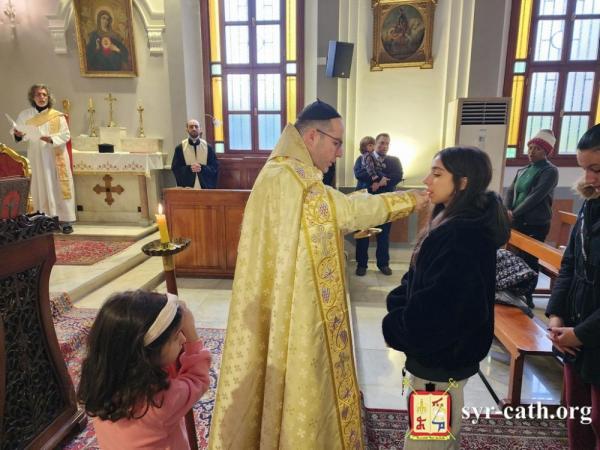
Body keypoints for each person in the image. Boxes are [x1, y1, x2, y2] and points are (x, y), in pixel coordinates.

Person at [209, 100, 428, 449]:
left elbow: (310, 229)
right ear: (313, 136)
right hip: (295, 306)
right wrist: (410, 201)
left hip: (275, 294)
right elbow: (349, 210)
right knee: (302, 375)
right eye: (336, 143)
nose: (339, 153)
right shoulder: (298, 182)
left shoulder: (277, 172)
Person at [382, 146, 510, 449]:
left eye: (437, 174)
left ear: (463, 182)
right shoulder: (452, 223)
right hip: (440, 357)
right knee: (439, 434)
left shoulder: (461, 235)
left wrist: (398, 325)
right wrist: (399, 303)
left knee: (427, 439)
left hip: (439, 361)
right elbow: (418, 280)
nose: (427, 180)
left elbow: (441, 311)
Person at [77, 290, 212, 449]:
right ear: (149, 353)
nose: (182, 339)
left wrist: (167, 310)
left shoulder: (102, 379)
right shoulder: (161, 400)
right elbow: (198, 380)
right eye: (176, 336)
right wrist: (191, 333)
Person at [545, 123, 600, 449]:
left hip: (591, 333)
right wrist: (556, 317)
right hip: (575, 333)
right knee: (577, 416)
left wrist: (581, 333)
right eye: (584, 169)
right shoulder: (591, 204)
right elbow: (570, 265)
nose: (589, 178)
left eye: (597, 169)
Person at [504, 129, 559, 306]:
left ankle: (528, 295)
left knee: (529, 259)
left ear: (546, 151)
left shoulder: (550, 171)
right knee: (514, 257)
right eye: (530, 147)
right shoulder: (523, 170)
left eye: (537, 148)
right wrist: (507, 210)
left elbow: (536, 196)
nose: (531, 151)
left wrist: (514, 213)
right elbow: (510, 191)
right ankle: (514, 291)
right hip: (517, 221)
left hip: (535, 223)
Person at [13, 84, 76, 234]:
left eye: (44, 95)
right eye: (38, 95)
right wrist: (18, 134)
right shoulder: (25, 115)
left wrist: (51, 139)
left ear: (48, 97)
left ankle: (64, 220)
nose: (42, 97)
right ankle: (43, 220)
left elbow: (66, 135)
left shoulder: (57, 116)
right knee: (40, 184)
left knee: (57, 186)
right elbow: (18, 134)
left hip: (55, 156)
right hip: (36, 157)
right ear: (32, 97)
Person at [354, 132, 404, 276]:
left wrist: (381, 182)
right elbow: (359, 174)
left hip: (385, 204)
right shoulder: (362, 158)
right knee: (363, 234)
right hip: (365, 203)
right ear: (375, 144)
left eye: (387, 143)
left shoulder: (394, 160)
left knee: (384, 235)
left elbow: (397, 176)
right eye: (382, 143)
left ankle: (383, 264)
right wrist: (378, 180)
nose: (385, 146)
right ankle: (361, 265)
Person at [171, 119, 219, 189]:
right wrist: (189, 169)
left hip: (205, 186)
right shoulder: (180, 148)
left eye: (196, 126)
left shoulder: (208, 147)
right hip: (187, 187)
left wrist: (202, 168)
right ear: (187, 129)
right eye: (191, 127)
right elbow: (176, 168)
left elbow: (215, 167)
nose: (194, 129)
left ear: (200, 129)